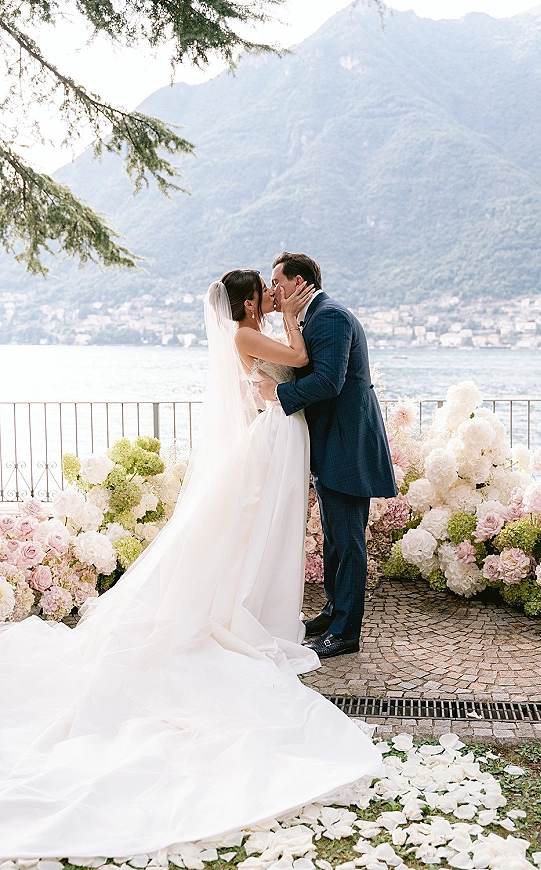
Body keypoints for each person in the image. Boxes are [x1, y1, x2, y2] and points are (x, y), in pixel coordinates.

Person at [0, 269, 382, 860]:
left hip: (283, 438)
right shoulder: (250, 334)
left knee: (289, 535)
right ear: (252, 299)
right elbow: (302, 361)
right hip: (275, 437)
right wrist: (291, 316)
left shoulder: (287, 324)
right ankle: (293, 612)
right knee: (264, 534)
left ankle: (320, 615)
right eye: (268, 287)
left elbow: (312, 372)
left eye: (282, 282)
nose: (276, 292)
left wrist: (288, 319)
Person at [257, 253, 397, 660]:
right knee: (336, 538)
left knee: (349, 540)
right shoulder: (313, 315)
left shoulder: (330, 316)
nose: (273, 289)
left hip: (347, 443)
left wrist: (277, 394)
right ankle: (334, 611)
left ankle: (345, 632)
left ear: (297, 281)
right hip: (334, 440)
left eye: (277, 281)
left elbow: (329, 381)